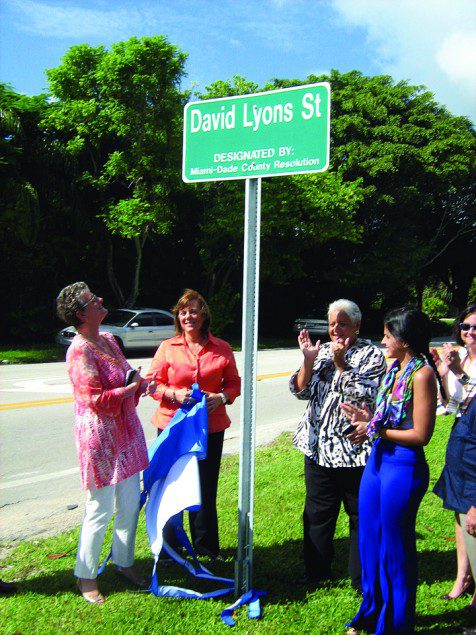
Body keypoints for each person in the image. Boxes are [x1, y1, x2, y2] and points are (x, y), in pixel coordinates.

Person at [342, 308, 439, 635]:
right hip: (378, 461)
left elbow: (421, 435)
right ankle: (372, 613)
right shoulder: (394, 368)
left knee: (395, 546)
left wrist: (376, 430)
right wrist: (367, 419)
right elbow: (388, 417)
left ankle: (396, 624)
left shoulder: (422, 375)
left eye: (387, 335)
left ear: (405, 339)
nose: (383, 341)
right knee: (370, 539)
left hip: (403, 466)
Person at [56, 282, 154, 604]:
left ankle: (124, 562)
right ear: (81, 315)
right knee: (99, 508)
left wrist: (140, 383)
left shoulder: (110, 339)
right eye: (91, 300)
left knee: (129, 502)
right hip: (99, 438)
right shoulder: (79, 350)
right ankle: (86, 575)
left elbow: (125, 373)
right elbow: (94, 399)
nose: (100, 299)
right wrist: (128, 391)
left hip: (126, 432)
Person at [289, 299, 386, 590]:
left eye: (342, 324)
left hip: (353, 452)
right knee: (317, 513)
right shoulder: (321, 351)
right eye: (332, 324)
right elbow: (300, 390)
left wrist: (341, 364)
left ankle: (360, 578)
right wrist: (308, 360)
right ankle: (316, 573)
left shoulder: (371, 355)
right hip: (317, 447)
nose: (336, 329)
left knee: (360, 515)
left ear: (357, 325)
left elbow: (364, 395)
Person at [146, 289, 241, 558]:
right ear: (178, 317)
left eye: (194, 311)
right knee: (171, 485)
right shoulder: (167, 347)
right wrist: (173, 394)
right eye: (183, 312)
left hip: (209, 428)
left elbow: (234, 383)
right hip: (172, 428)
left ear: (204, 315)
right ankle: (170, 548)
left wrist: (221, 397)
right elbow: (152, 384)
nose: (188, 316)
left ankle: (206, 548)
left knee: (205, 486)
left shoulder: (221, 348)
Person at [431, 304, 476, 601]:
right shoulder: (459, 356)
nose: (470, 332)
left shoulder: (462, 363)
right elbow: (450, 405)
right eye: (465, 327)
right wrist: (442, 374)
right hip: (460, 435)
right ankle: (463, 577)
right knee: (460, 510)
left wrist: (459, 372)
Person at [433, 388, 476, 613]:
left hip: (472, 484)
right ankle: (464, 577)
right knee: (461, 518)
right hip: (462, 473)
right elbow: (451, 405)